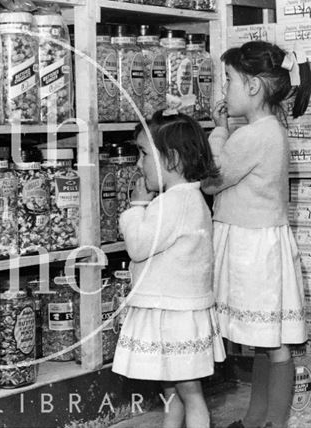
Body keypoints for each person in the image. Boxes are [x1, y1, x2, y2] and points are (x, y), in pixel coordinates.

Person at [202, 41, 311, 428]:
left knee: (275, 345)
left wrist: (217, 133)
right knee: (266, 339)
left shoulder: (252, 136)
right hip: (257, 242)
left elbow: (213, 180)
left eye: (228, 80)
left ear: (252, 87)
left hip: (253, 248)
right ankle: (256, 420)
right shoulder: (269, 129)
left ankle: (273, 423)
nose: (223, 91)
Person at [112, 110, 226, 428]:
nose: (138, 163)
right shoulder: (192, 199)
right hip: (180, 311)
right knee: (175, 390)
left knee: (188, 392)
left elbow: (138, 246)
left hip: (172, 313)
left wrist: (136, 208)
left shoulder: (171, 204)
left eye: (144, 153)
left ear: (171, 158)